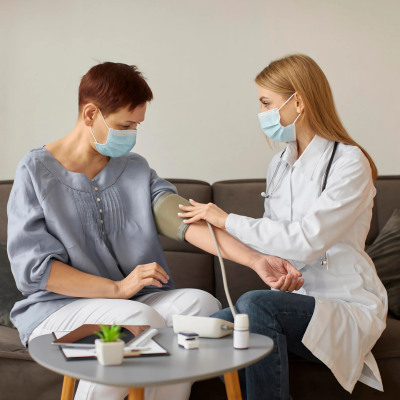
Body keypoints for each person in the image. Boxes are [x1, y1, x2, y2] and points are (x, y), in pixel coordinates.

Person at [7, 62, 302, 400]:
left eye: (137, 125)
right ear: (90, 115)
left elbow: (186, 221)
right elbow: (34, 270)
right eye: (125, 124)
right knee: (135, 317)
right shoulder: (34, 170)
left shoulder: (134, 169)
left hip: (132, 301)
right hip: (59, 308)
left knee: (201, 305)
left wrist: (255, 260)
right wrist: (117, 288)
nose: (132, 134)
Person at [178, 54, 388, 399]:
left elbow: (307, 240)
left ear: (299, 102)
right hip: (294, 300)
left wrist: (226, 218)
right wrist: (280, 268)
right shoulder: (279, 163)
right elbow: (277, 240)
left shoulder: (349, 162)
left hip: (344, 304)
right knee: (205, 332)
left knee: (255, 305)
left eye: (266, 103)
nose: (261, 113)